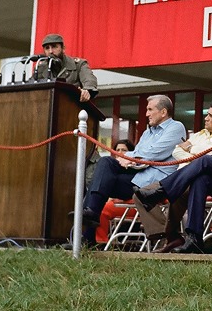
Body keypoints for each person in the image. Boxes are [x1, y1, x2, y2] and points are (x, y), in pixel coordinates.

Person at [78, 95, 185, 246]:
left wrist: (129, 159)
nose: (146, 114)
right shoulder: (148, 132)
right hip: (139, 176)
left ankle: (87, 232)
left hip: (154, 184)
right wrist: (127, 158)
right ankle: (91, 219)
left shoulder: (176, 127)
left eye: (150, 109)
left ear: (163, 112)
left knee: (103, 181)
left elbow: (155, 153)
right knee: (105, 163)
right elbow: (139, 153)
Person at [131, 99, 212, 252]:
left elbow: (208, 157)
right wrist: (196, 152)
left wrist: (191, 149)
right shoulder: (200, 134)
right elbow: (177, 151)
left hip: (211, 182)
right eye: (207, 115)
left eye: (211, 116)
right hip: (186, 179)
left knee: (182, 189)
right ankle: (179, 237)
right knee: (141, 194)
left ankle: (170, 236)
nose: (206, 118)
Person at [33, 33, 98, 102]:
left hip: (72, 106)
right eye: (47, 48)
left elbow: (89, 80)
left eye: (54, 47)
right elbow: (31, 86)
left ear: (63, 49)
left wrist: (86, 90)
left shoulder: (78, 64)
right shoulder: (40, 68)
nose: (50, 51)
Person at [94, 139, 136, 244]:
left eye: (124, 150)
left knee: (102, 209)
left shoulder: (135, 166)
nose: (120, 152)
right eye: (117, 150)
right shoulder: (111, 167)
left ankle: (101, 241)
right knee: (95, 205)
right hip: (117, 202)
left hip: (134, 204)